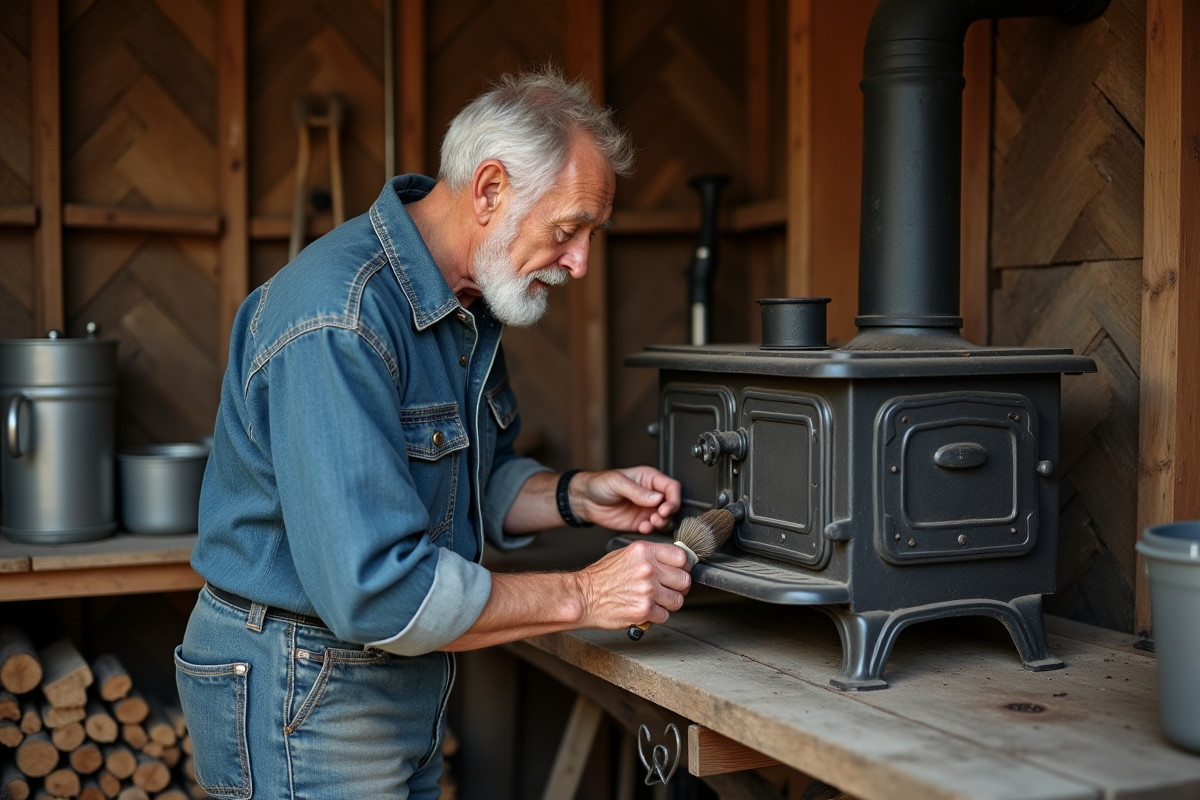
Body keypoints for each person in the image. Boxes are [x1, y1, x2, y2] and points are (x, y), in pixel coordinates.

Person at [175, 68, 692, 799]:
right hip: (304, 688)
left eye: (590, 235)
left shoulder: (466, 306)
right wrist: (584, 594)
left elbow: (467, 482)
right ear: (489, 191)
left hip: (388, 682)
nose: (580, 262)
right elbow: (379, 591)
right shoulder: (341, 317)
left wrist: (578, 497)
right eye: (569, 229)